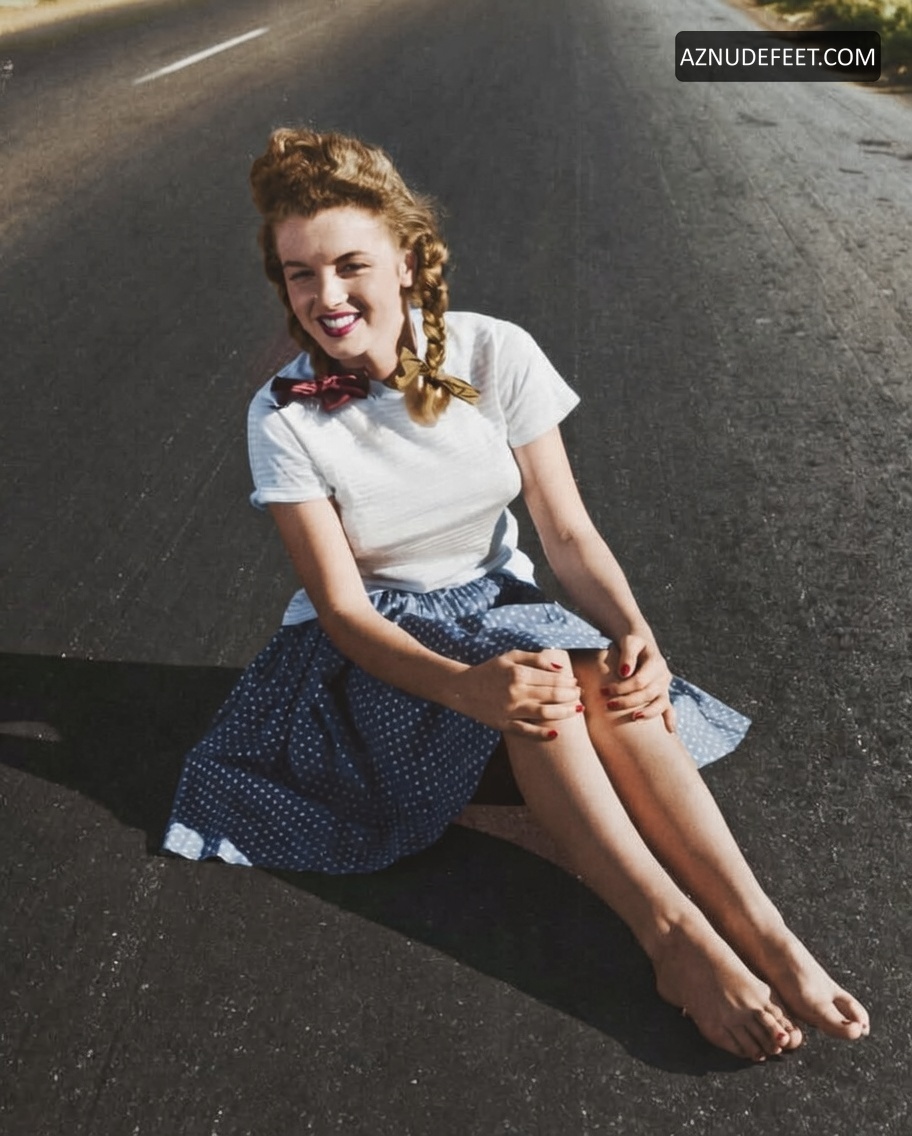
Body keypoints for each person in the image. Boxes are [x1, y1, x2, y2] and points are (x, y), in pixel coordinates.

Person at [163, 127, 869, 1061]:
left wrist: (634, 631)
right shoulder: (282, 416)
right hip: (378, 652)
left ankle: (767, 932)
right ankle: (674, 939)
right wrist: (466, 688)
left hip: (497, 604)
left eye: (350, 265)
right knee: (543, 692)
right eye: (301, 274)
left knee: (608, 678)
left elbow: (565, 534)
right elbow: (342, 611)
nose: (326, 297)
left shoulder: (494, 352)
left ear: (407, 261)